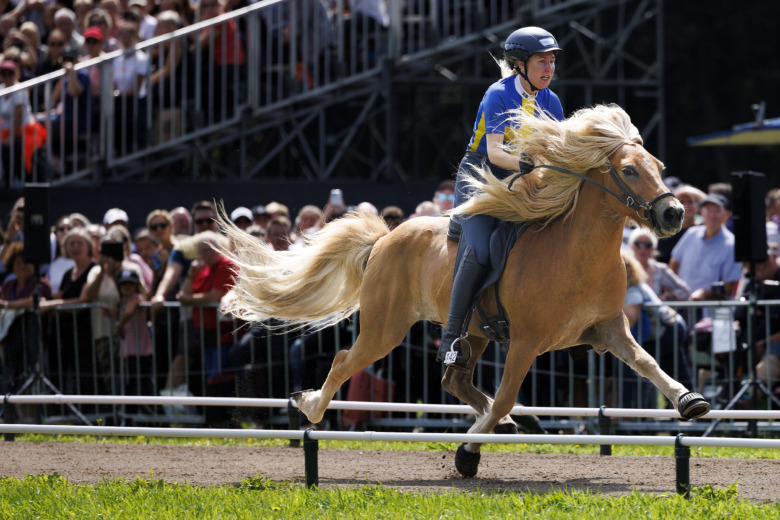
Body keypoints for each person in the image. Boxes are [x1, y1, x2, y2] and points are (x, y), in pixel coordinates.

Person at [437, 26, 564, 370]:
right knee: (478, 249)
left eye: (552, 61)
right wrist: (533, 163)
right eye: (542, 61)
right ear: (520, 64)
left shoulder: (551, 101)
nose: (549, 68)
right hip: (481, 174)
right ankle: (450, 337)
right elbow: (494, 153)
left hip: (523, 176)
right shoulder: (498, 93)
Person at [0, 242, 53, 394]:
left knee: (29, 385)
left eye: (26, 262)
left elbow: (35, 301)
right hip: (10, 345)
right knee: (10, 383)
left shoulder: (40, 283)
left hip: (33, 345)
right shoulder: (9, 284)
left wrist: (7, 305)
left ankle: (32, 417)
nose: (22, 266)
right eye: (18, 263)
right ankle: (14, 416)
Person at [669, 193, 742, 301]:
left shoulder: (732, 244)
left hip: (711, 312)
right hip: (683, 307)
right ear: (702, 212)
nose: (712, 215)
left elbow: (728, 288)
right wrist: (674, 291)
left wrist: (704, 293)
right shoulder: (691, 233)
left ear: (726, 214)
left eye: (717, 210)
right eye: (708, 210)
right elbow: (674, 264)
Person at [114, 266, 154, 398]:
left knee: (143, 385)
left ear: (136, 285)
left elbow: (128, 312)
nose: (127, 287)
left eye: (130, 284)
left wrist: (117, 326)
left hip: (142, 350)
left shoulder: (137, 298)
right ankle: (132, 416)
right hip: (129, 351)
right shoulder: (121, 302)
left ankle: (147, 414)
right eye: (124, 284)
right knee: (131, 384)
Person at [628, 227, 690, 301]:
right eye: (638, 244)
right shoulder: (624, 268)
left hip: (652, 312)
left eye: (648, 245)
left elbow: (685, 292)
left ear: (654, 248)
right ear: (631, 245)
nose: (643, 249)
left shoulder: (660, 270)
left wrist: (667, 296)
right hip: (628, 312)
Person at [656, 184, 706, 264]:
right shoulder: (665, 233)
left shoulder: (705, 230)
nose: (686, 206)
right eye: (681, 201)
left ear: (698, 206)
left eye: (690, 202)